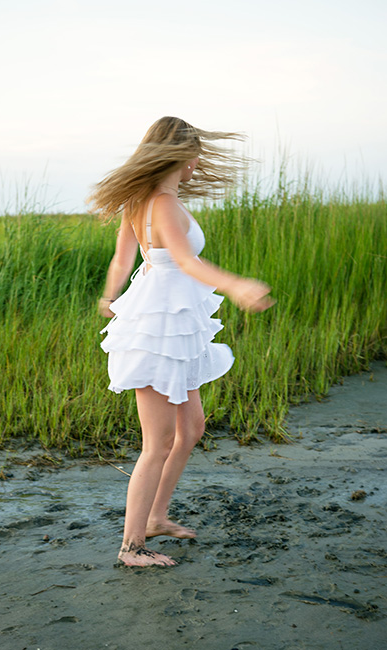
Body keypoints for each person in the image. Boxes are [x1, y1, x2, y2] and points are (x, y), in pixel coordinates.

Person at [88, 116, 274, 567]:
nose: (199, 162)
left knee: (190, 429)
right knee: (157, 442)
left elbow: (121, 261)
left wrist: (111, 296)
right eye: (195, 153)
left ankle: (156, 517)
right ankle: (131, 547)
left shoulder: (146, 201)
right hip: (159, 327)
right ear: (181, 155)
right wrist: (235, 284)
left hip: (175, 323)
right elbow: (187, 262)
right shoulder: (160, 204)